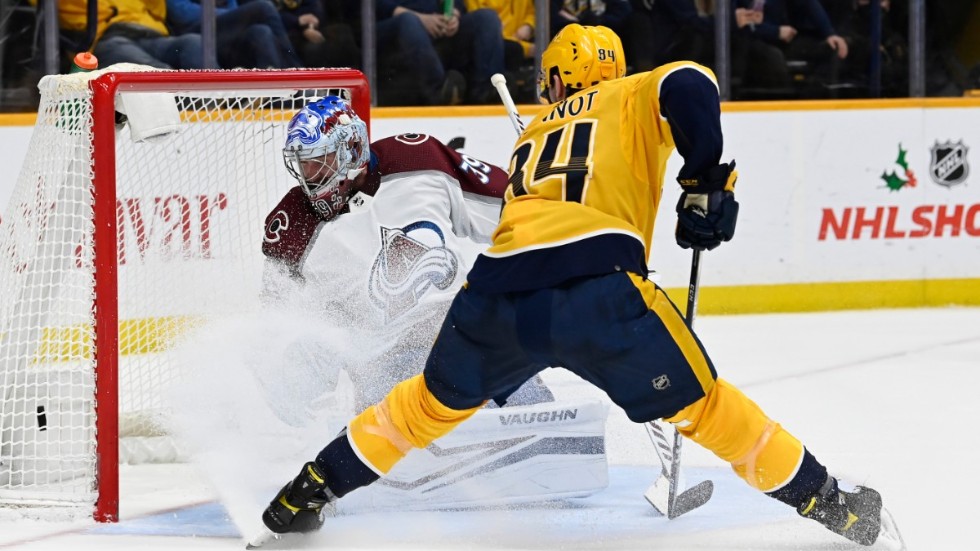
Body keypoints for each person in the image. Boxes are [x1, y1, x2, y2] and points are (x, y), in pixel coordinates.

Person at [256, 25, 895, 548]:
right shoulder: (630, 94)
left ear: (559, 78)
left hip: (495, 297)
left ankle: (308, 491)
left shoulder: (534, 135)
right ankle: (832, 504)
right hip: (600, 289)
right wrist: (704, 178)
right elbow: (690, 80)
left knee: (420, 409)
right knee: (707, 409)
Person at [256, 95, 608, 508]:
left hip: (453, 322)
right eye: (302, 164)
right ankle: (408, 458)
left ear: (351, 150)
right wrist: (295, 370)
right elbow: (281, 318)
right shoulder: (291, 226)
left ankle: (532, 435)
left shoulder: (418, 159)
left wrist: (561, 227)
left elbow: (510, 206)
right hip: (378, 358)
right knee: (397, 433)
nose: (309, 176)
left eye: (318, 162)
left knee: (505, 364)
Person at [374, 1, 506, 105]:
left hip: (436, 27)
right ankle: (439, 92)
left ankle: (486, 91)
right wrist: (421, 19)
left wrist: (453, 14)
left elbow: (455, 3)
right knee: (408, 21)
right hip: (392, 29)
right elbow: (370, 5)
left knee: (487, 18)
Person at [59, 0, 204, 70]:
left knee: (194, 44)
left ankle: (217, 111)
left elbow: (158, 10)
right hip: (107, 38)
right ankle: (187, 119)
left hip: (153, 35)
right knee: (158, 72)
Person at [166, 0, 302, 69]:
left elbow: (234, 8)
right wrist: (235, 15)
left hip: (222, 34)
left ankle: (275, 97)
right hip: (193, 33)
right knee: (263, 8)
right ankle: (298, 75)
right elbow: (181, 13)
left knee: (261, 31)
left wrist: (237, 15)